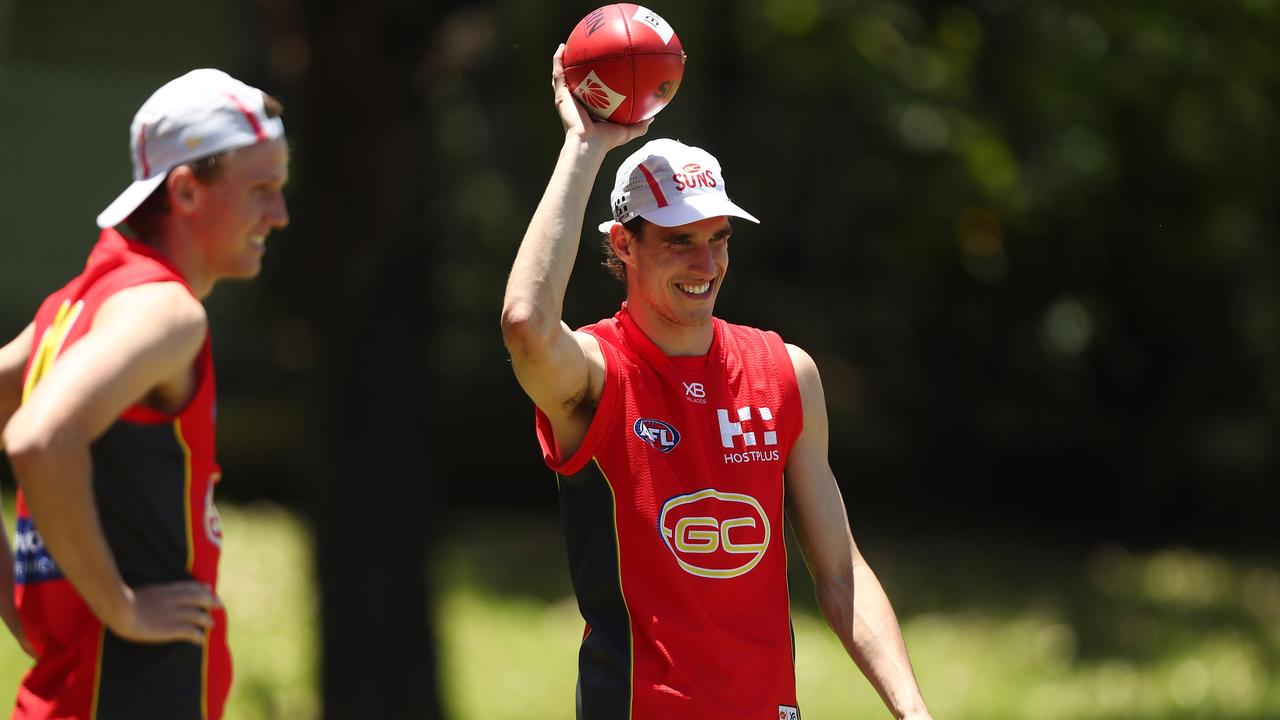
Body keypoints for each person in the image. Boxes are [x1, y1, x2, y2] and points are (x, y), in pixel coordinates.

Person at [501, 46, 934, 720]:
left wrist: (912, 710)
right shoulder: (595, 372)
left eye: (720, 237)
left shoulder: (787, 372)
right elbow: (526, 323)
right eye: (678, 240)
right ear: (623, 244)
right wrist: (584, 146)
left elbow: (840, 573)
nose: (706, 262)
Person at [0, 68, 289, 719]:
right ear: (186, 191)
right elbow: (37, 439)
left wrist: (19, 597)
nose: (280, 215)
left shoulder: (75, 304)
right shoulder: (164, 312)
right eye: (261, 190)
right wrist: (121, 607)